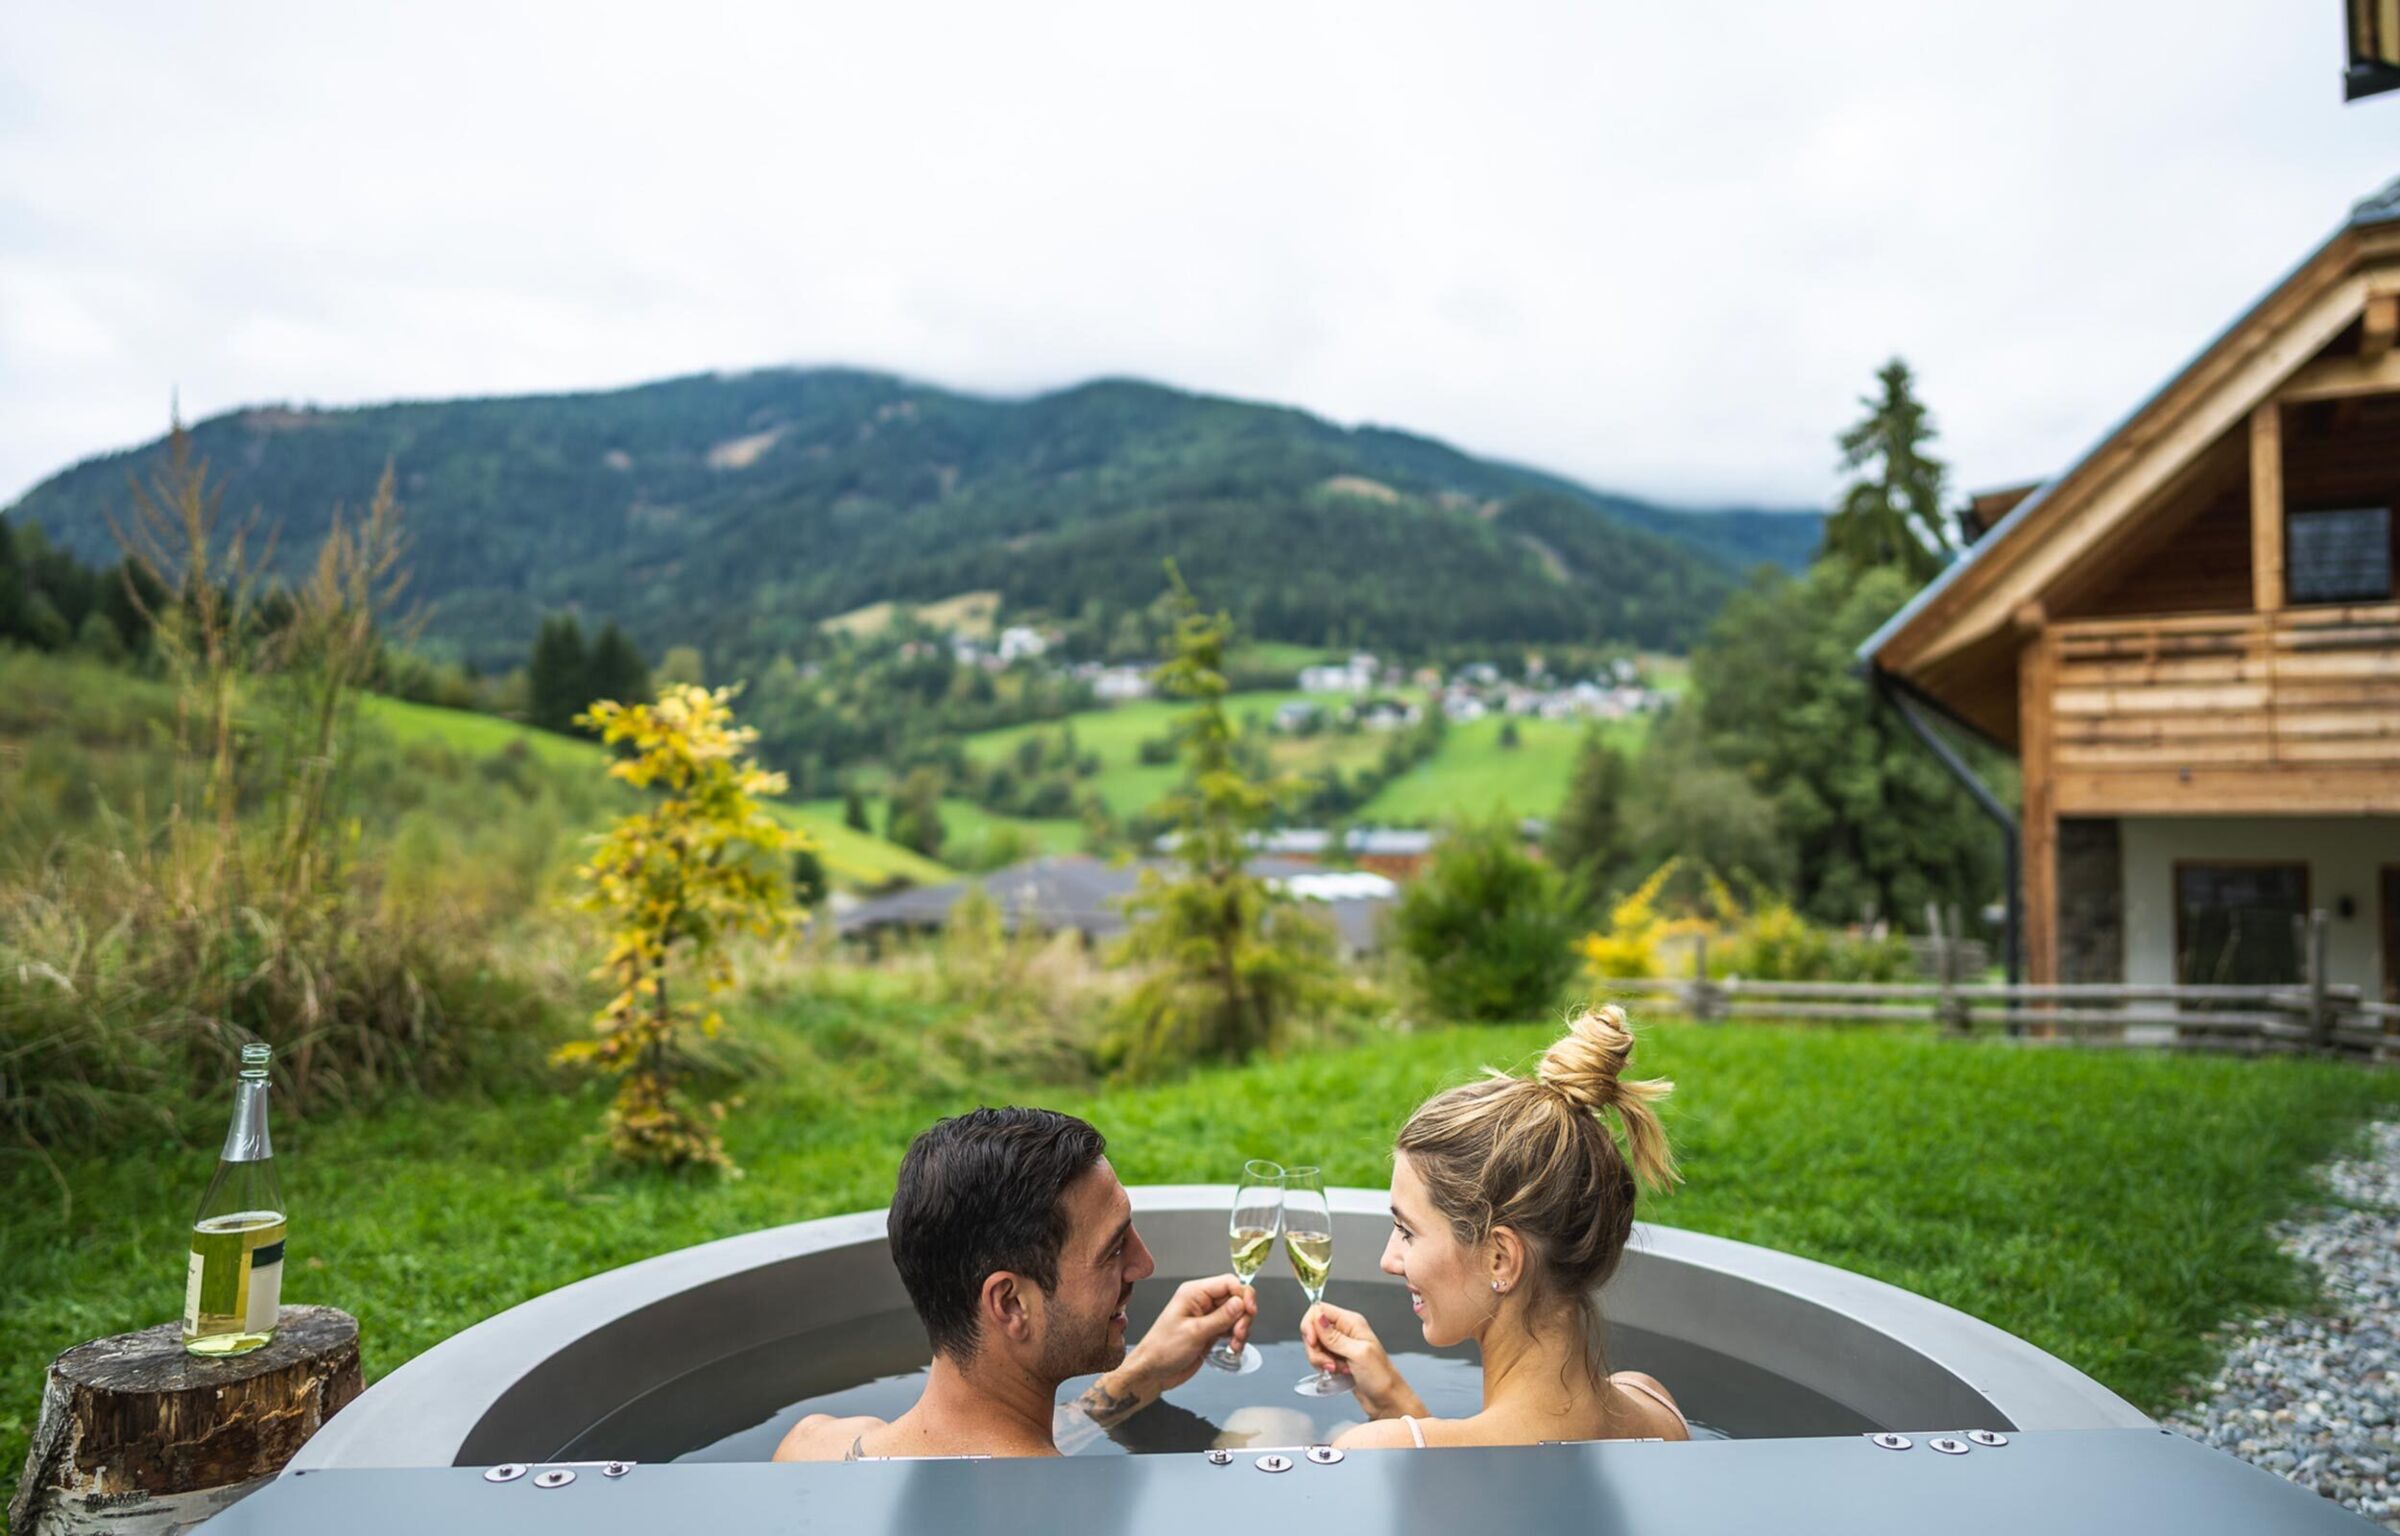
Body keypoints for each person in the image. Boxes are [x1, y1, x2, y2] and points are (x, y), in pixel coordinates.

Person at [1300, 1005, 1689, 1448]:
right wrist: (1392, 1400)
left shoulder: (1376, 1451)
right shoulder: (1657, 1408)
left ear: (1500, 1259)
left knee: (1267, 1421)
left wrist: (1399, 1429)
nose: (1388, 1260)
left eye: (1407, 1231)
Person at [773, 1106, 1256, 1461]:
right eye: (1113, 1249)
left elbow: (987, 1450)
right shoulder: (1087, 1512)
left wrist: (1143, 1372)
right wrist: (1336, 1450)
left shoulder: (812, 1448)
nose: (1143, 1264)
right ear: (1009, 1303)